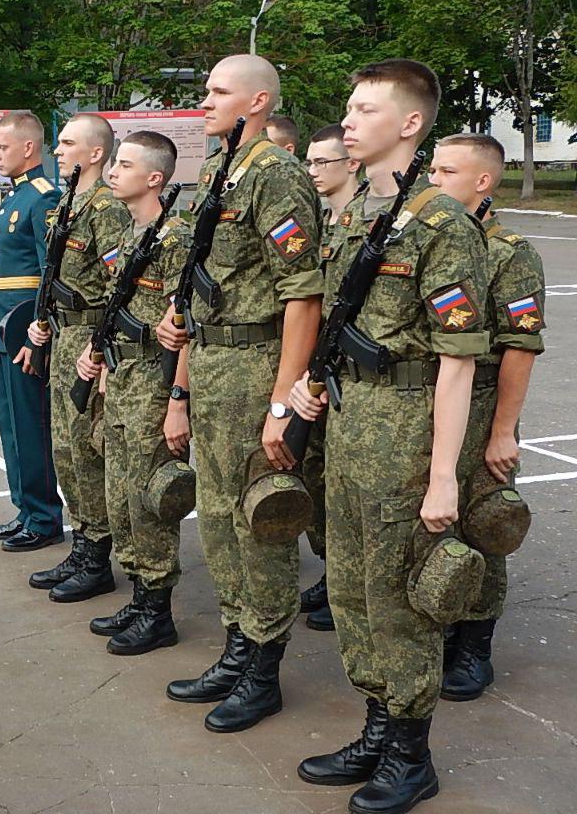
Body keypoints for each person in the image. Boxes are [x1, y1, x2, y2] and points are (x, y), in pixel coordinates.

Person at [290, 59, 487, 813]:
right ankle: (377, 722)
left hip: (406, 433)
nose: (348, 120)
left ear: (410, 123)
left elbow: (459, 363)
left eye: (365, 109)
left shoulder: (443, 224)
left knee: (400, 596)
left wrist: (443, 475)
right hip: (348, 423)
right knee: (352, 588)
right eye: (348, 107)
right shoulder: (358, 215)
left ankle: (411, 753)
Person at [155, 54, 323, 734]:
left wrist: (284, 399)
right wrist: (181, 383)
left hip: (257, 368)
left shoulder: (278, 176)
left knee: (262, 522)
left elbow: (303, 293)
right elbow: (203, 282)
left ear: (256, 102)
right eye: (206, 90)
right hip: (215, 362)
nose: (205, 100)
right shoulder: (219, 172)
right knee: (221, 518)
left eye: (218, 91)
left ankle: (263, 669)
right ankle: (237, 645)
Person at [429, 132, 545, 701]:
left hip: (481, 413)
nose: (433, 180)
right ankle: (442, 623)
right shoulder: (430, 242)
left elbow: (520, 345)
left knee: (482, 526)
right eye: (432, 170)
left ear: (482, 182)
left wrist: (502, 432)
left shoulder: (509, 251)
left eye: (447, 172)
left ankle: (474, 644)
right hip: (428, 409)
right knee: (436, 527)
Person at [77, 131, 192, 656]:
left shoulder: (175, 239)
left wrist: (177, 398)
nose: (113, 171)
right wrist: (100, 366)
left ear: (154, 178)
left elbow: (184, 325)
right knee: (121, 492)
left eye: (124, 164)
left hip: (153, 380)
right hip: (123, 377)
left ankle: (157, 608)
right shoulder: (133, 234)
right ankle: (140, 590)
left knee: (148, 495)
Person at [25, 115, 129, 601]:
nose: (59, 149)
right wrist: (42, 321)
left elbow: (118, 284)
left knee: (88, 449)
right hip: (63, 336)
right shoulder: (69, 201)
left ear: (95, 154)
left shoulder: (106, 209)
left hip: (88, 337)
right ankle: (84, 542)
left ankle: (98, 556)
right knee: (66, 450)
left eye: (68, 143)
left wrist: (101, 348)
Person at [0, 110, 64, 551]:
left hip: (25, 333)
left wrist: (37, 333)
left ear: (28, 148)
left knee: (31, 425)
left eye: (2, 147)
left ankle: (45, 516)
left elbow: (48, 273)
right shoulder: (14, 197)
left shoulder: (42, 198)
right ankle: (26, 508)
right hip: (5, 328)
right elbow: (2, 275)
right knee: (12, 424)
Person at [299, 123, 364, 633]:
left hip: (358, 381)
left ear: (352, 164)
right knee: (317, 479)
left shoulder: (369, 227)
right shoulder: (325, 226)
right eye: (310, 162)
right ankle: (333, 572)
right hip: (321, 374)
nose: (313, 171)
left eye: (322, 162)